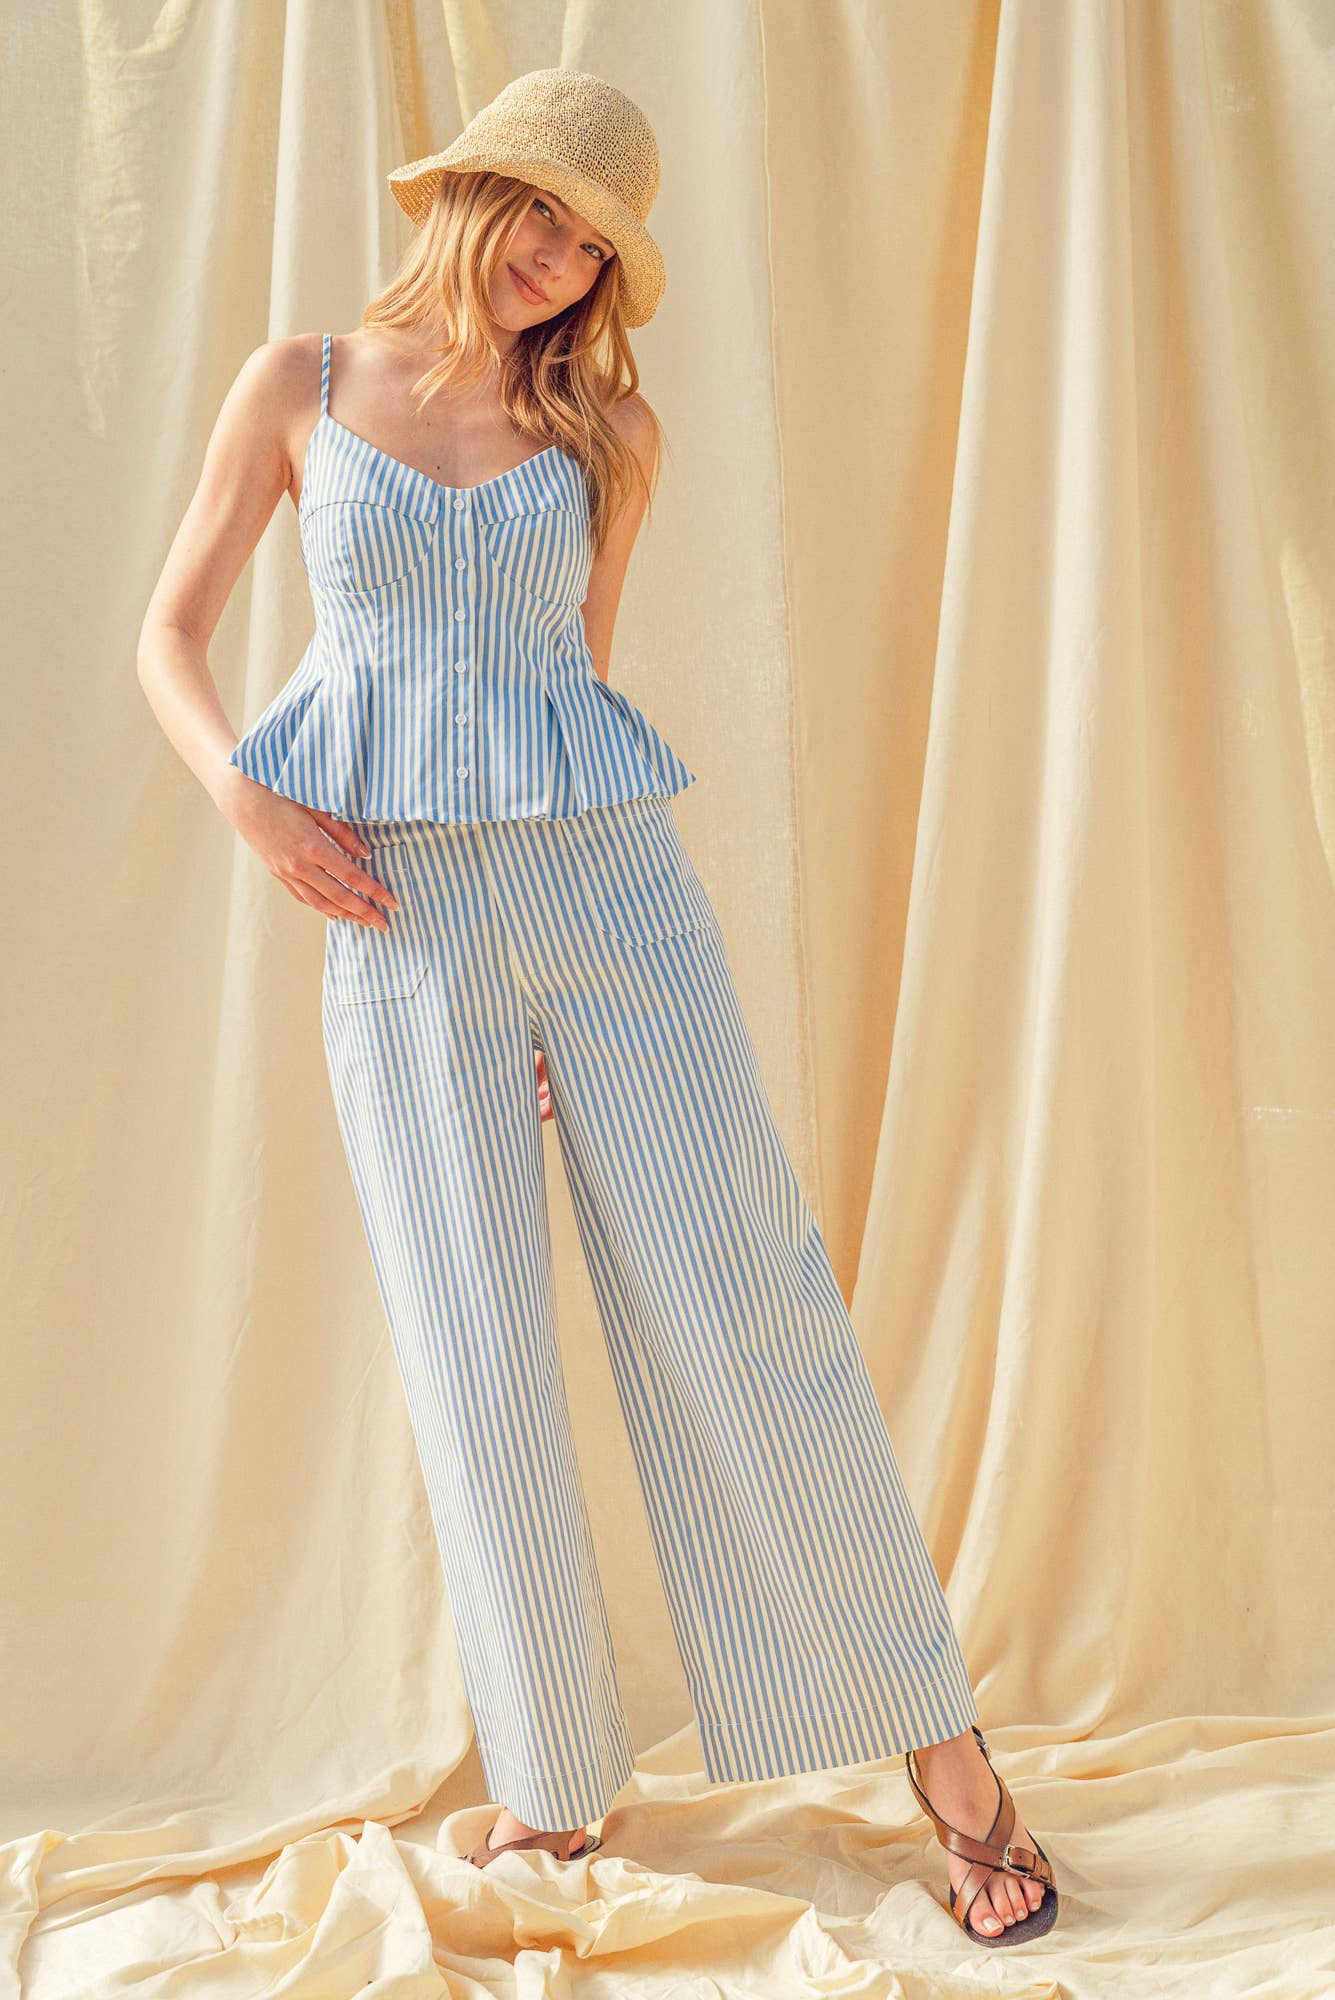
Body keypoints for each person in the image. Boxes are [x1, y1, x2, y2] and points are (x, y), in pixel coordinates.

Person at [136, 67, 1057, 1946]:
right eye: (542, 215)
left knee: (752, 1305)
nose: (561, 263)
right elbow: (169, 629)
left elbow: (584, 678)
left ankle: (945, 1756)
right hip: (394, 921)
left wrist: (570, 1017)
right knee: (471, 1348)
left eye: (594, 243)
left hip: (610, 902)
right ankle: (551, 1787)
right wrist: (245, 789)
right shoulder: (296, 387)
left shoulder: (609, 426)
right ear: (473, 195)